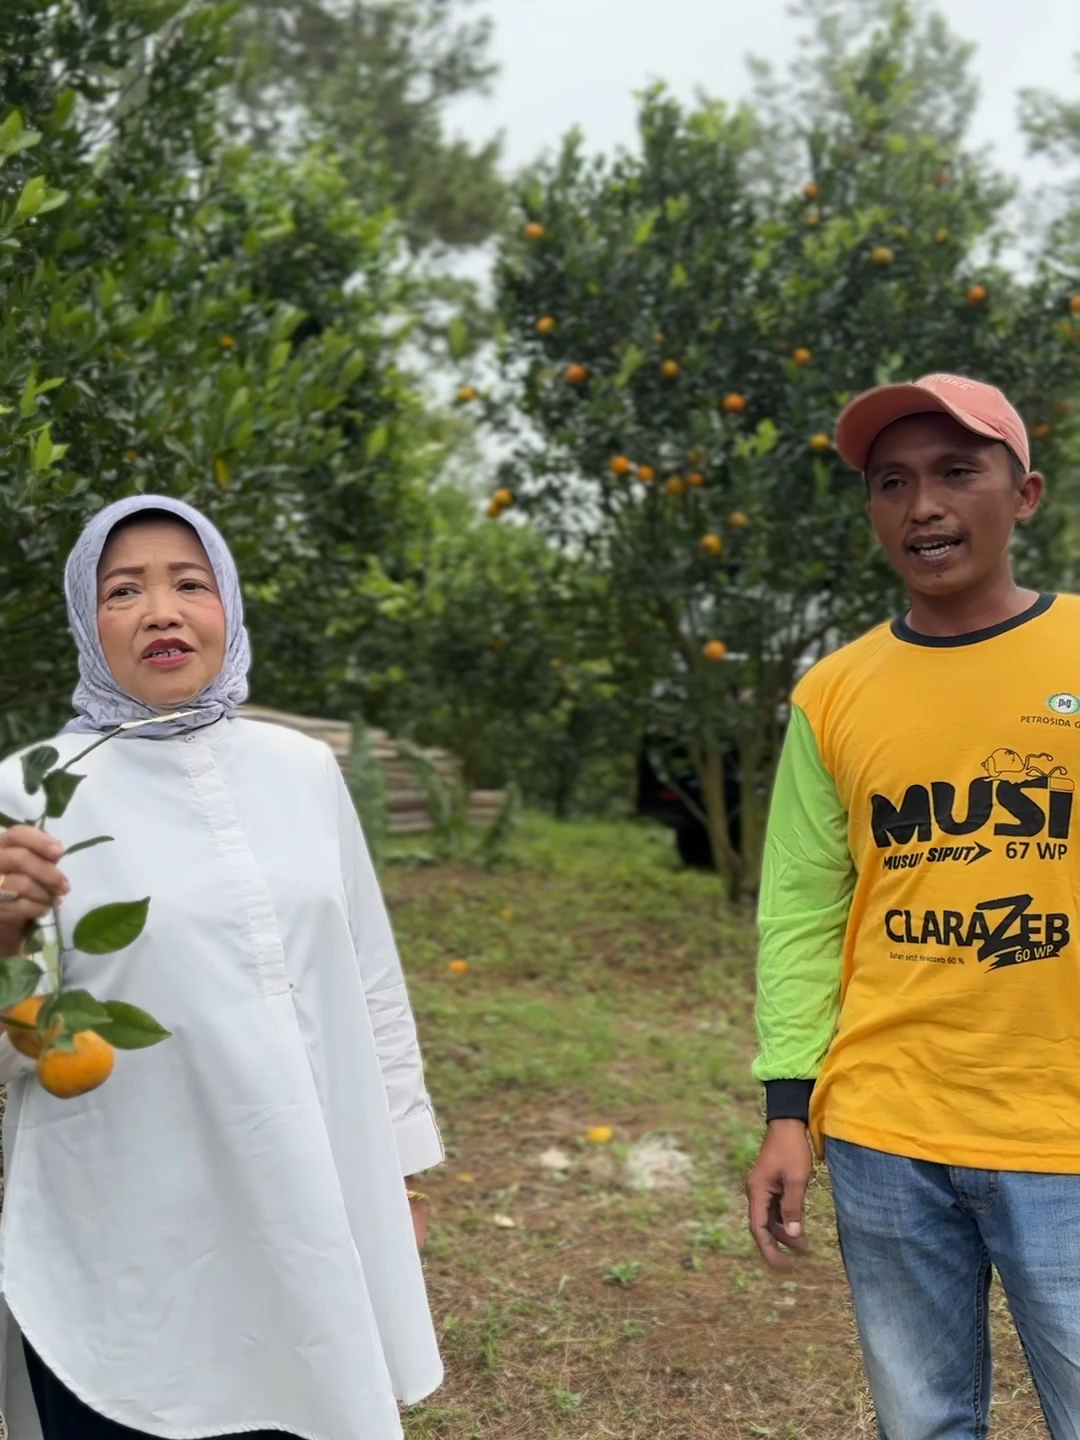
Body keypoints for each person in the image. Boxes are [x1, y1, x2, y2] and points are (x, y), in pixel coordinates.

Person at [0, 495, 444, 1440]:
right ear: (89, 621)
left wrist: (399, 1170)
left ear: (229, 607)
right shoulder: (28, 787)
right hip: (122, 1224)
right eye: (124, 590)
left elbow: (370, 977)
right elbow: (20, 1043)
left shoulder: (302, 771)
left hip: (304, 1199)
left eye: (188, 583)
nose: (161, 610)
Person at [745, 373, 1079, 1440]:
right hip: (889, 1134)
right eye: (892, 483)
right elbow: (798, 908)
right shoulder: (833, 693)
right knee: (924, 1422)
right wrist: (788, 1109)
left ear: (1022, 495)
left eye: (954, 472)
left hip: (1063, 1128)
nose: (922, 506)